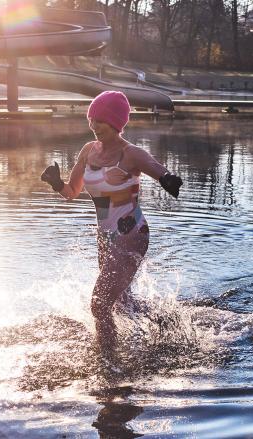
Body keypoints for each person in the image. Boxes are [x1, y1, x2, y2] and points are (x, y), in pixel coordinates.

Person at [41, 91, 183, 358]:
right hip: (105, 237)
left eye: (101, 121)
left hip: (132, 234)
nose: (94, 127)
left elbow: (157, 169)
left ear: (117, 123)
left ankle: (108, 360)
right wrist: (56, 183)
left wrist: (168, 179)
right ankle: (168, 325)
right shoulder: (88, 151)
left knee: (99, 304)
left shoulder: (131, 154)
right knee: (119, 302)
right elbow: (72, 191)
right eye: (92, 120)